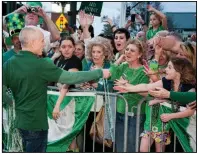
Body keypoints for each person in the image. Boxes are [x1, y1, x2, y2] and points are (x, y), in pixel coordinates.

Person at [3, 26, 111, 152]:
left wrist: (11, 103)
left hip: (21, 122)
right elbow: (70, 77)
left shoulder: (10, 63)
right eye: (42, 41)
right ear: (33, 42)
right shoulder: (41, 64)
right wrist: (99, 73)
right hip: (37, 125)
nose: (44, 44)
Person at [114, 57, 195, 152]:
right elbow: (147, 86)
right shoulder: (167, 81)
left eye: (169, 67)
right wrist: (128, 88)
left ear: (179, 71)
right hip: (171, 126)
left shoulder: (190, 88)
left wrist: (171, 116)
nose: (165, 69)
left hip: (188, 129)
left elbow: (191, 111)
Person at [109, 39, 149, 152]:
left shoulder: (144, 71)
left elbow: (146, 92)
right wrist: (119, 60)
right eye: (126, 49)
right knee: (120, 148)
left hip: (135, 115)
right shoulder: (123, 66)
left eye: (132, 50)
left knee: (132, 148)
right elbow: (110, 75)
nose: (128, 52)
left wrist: (127, 86)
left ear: (139, 54)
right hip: (120, 112)